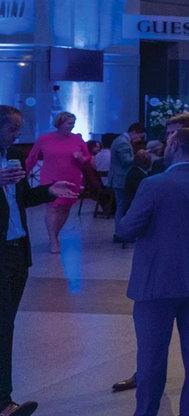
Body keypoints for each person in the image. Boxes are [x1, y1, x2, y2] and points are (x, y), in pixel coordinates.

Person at [113, 112, 189, 398]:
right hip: (164, 262)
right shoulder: (160, 169)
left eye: (171, 135)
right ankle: (147, 371)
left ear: (186, 137)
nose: (166, 140)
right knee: (156, 332)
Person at [0, 104, 79, 416]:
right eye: (12, 129)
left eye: (19, 129)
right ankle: (4, 402)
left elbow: (22, 198)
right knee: (3, 326)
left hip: (18, 251)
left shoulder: (15, 156)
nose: (17, 134)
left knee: (7, 325)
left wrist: (48, 190)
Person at [24, 111, 90, 254]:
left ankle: (55, 234)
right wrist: (25, 172)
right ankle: (53, 239)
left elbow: (87, 158)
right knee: (52, 207)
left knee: (65, 208)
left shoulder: (78, 139)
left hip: (71, 178)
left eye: (73, 123)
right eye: (69, 123)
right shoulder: (44, 139)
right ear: (59, 123)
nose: (72, 126)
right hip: (50, 177)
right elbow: (32, 158)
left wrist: (80, 158)